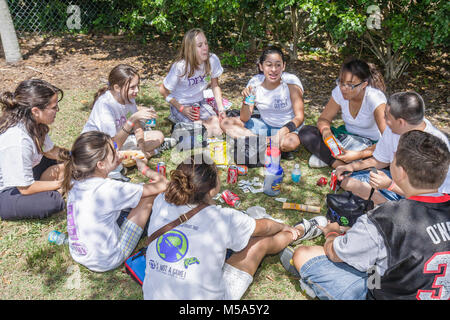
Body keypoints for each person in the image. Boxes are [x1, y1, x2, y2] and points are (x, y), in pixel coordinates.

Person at [281, 130, 450, 300]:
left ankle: (315, 283)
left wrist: (331, 233)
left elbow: (335, 254)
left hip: (379, 291)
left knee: (304, 254)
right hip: (417, 287)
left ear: (401, 171)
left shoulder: (384, 218)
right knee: (376, 262)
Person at [142, 154, 327, 300]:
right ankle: (298, 231)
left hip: (154, 295)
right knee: (259, 243)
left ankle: (296, 232)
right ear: (213, 188)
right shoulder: (223, 218)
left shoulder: (161, 201)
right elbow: (266, 227)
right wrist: (283, 225)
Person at [61, 131, 167, 272]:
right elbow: (163, 184)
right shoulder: (109, 189)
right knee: (147, 197)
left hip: (80, 253)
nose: (118, 152)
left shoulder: (75, 181)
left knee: (134, 198)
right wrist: (145, 169)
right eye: (113, 150)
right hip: (107, 259)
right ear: (100, 164)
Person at [336, 91, 450, 205]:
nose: (384, 119)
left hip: (424, 201)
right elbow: (379, 160)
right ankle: (384, 203)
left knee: (363, 190)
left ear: (400, 122)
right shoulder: (393, 130)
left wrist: (390, 186)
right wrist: (351, 166)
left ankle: (390, 209)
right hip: (395, 182)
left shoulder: (433, 144)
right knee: (346, 182)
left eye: (386, 116)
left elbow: (432, 197)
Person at [82, 64, 167, 181]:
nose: (136, 90)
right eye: (132, 87)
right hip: (100, 148)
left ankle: (137, 157)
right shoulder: (105, 105)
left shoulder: (128, 98)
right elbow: (113, 144)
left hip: (118, 141)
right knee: (136, 159)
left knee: (158, 135)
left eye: (137, 86)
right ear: (117, 88)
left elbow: (137, 127)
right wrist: (131, 120)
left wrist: (141, 144)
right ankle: (140, 157)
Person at [298, 58, 387, 168]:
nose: (344, 88)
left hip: (370, 144)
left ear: (364, 85)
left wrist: (359, 154)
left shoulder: (375, 98)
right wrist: (326, 132)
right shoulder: (339, 92)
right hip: (346, 137)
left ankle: (333, 159)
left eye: (350, 85)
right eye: (341, 82)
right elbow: (324, 119)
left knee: (389, 156)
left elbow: (388, 139)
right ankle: (339, 164)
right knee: (306, 132)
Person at [220, 46, 304, 159]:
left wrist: (281, 132)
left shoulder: (291, 83)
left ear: (283, 66)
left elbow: (299, 117)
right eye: (269, 65)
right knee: (225, 123)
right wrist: (245, 101)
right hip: (264, 125)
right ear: (261, 66)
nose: (273, 69)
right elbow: (245, 118)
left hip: (288, 128)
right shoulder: (255, 83)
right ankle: (268, 143)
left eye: (278, 65)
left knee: (290, 143)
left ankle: (257, 143)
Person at [0, 79, 66, 220]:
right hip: (8, 191)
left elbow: (51, 151)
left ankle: (52, 187)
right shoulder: (18, 140)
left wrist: (76, 156)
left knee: (72, 165)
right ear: (35, 111)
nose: (57, 111)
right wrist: (60, 184)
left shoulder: (34, 123)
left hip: (27, 173)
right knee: (53, 202)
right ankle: (57, 191)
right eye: (54, 107)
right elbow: (25, 188)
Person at [159, 28, 225, 137]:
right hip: (181, 104)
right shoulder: (181, 66)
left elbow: (215, 85)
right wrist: (181, 108)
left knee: (218, 128)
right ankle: (178, 125)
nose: (205, 48)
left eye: (206, 43)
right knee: (200, 130)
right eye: (199, 45)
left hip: (200, 102)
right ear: (190, 49)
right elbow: (163, 90)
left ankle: (188, 128)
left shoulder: (212, 60)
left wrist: (221, 108)